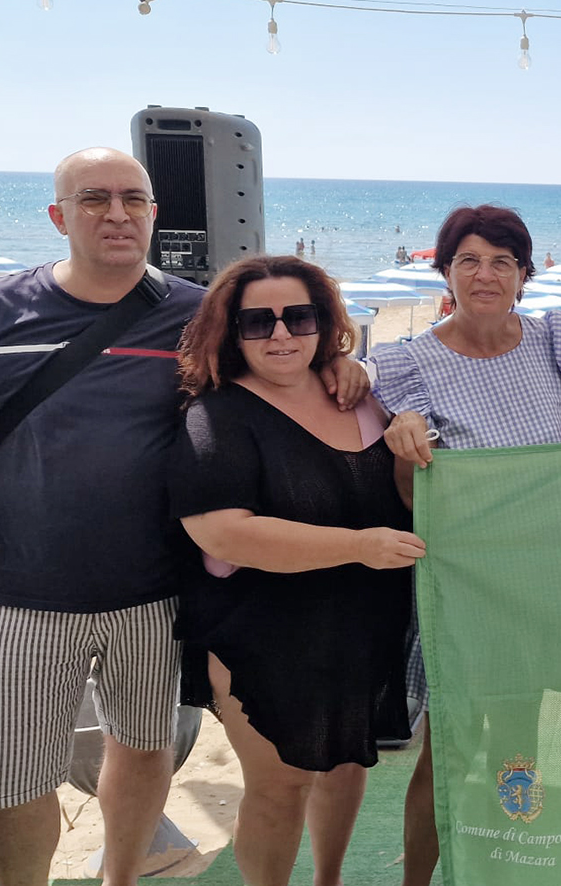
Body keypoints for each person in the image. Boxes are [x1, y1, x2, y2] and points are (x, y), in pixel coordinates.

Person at [0, 147, 367, 886]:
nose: (117, 214)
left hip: (161, 592)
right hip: (24, 592)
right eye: (94, 199)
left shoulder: (198, 315)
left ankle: (119, 879)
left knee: (146, 746)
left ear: (156, 212)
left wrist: (347, 366)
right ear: (59, 216)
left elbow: (285, 366)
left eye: (134, 199)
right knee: (13, 779)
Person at [168, 256, 421, 886]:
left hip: (362, 624)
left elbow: (410, 491)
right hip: (259, 632)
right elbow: (222, 531)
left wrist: (409, 429)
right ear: (231, 332)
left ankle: (328, 879)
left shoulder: (362, 397)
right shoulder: (217, 415)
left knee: (347, 763)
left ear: (324, 323)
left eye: (297, 316)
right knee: (280, 785)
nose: (280, 335)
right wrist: (358, 545)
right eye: (258, 322)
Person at [372, 204, 561, 886]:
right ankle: (419, 881)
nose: (485, 274)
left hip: (544, 576)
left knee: (522, 742)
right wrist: (402, 448)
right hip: (463, 587)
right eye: (468, 260)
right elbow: (411, 497)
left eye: (502, 262)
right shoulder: (406, 364)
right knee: (448, 750)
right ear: (446, 273)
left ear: (524, 275)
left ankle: (513, 861)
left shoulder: (557, 340)